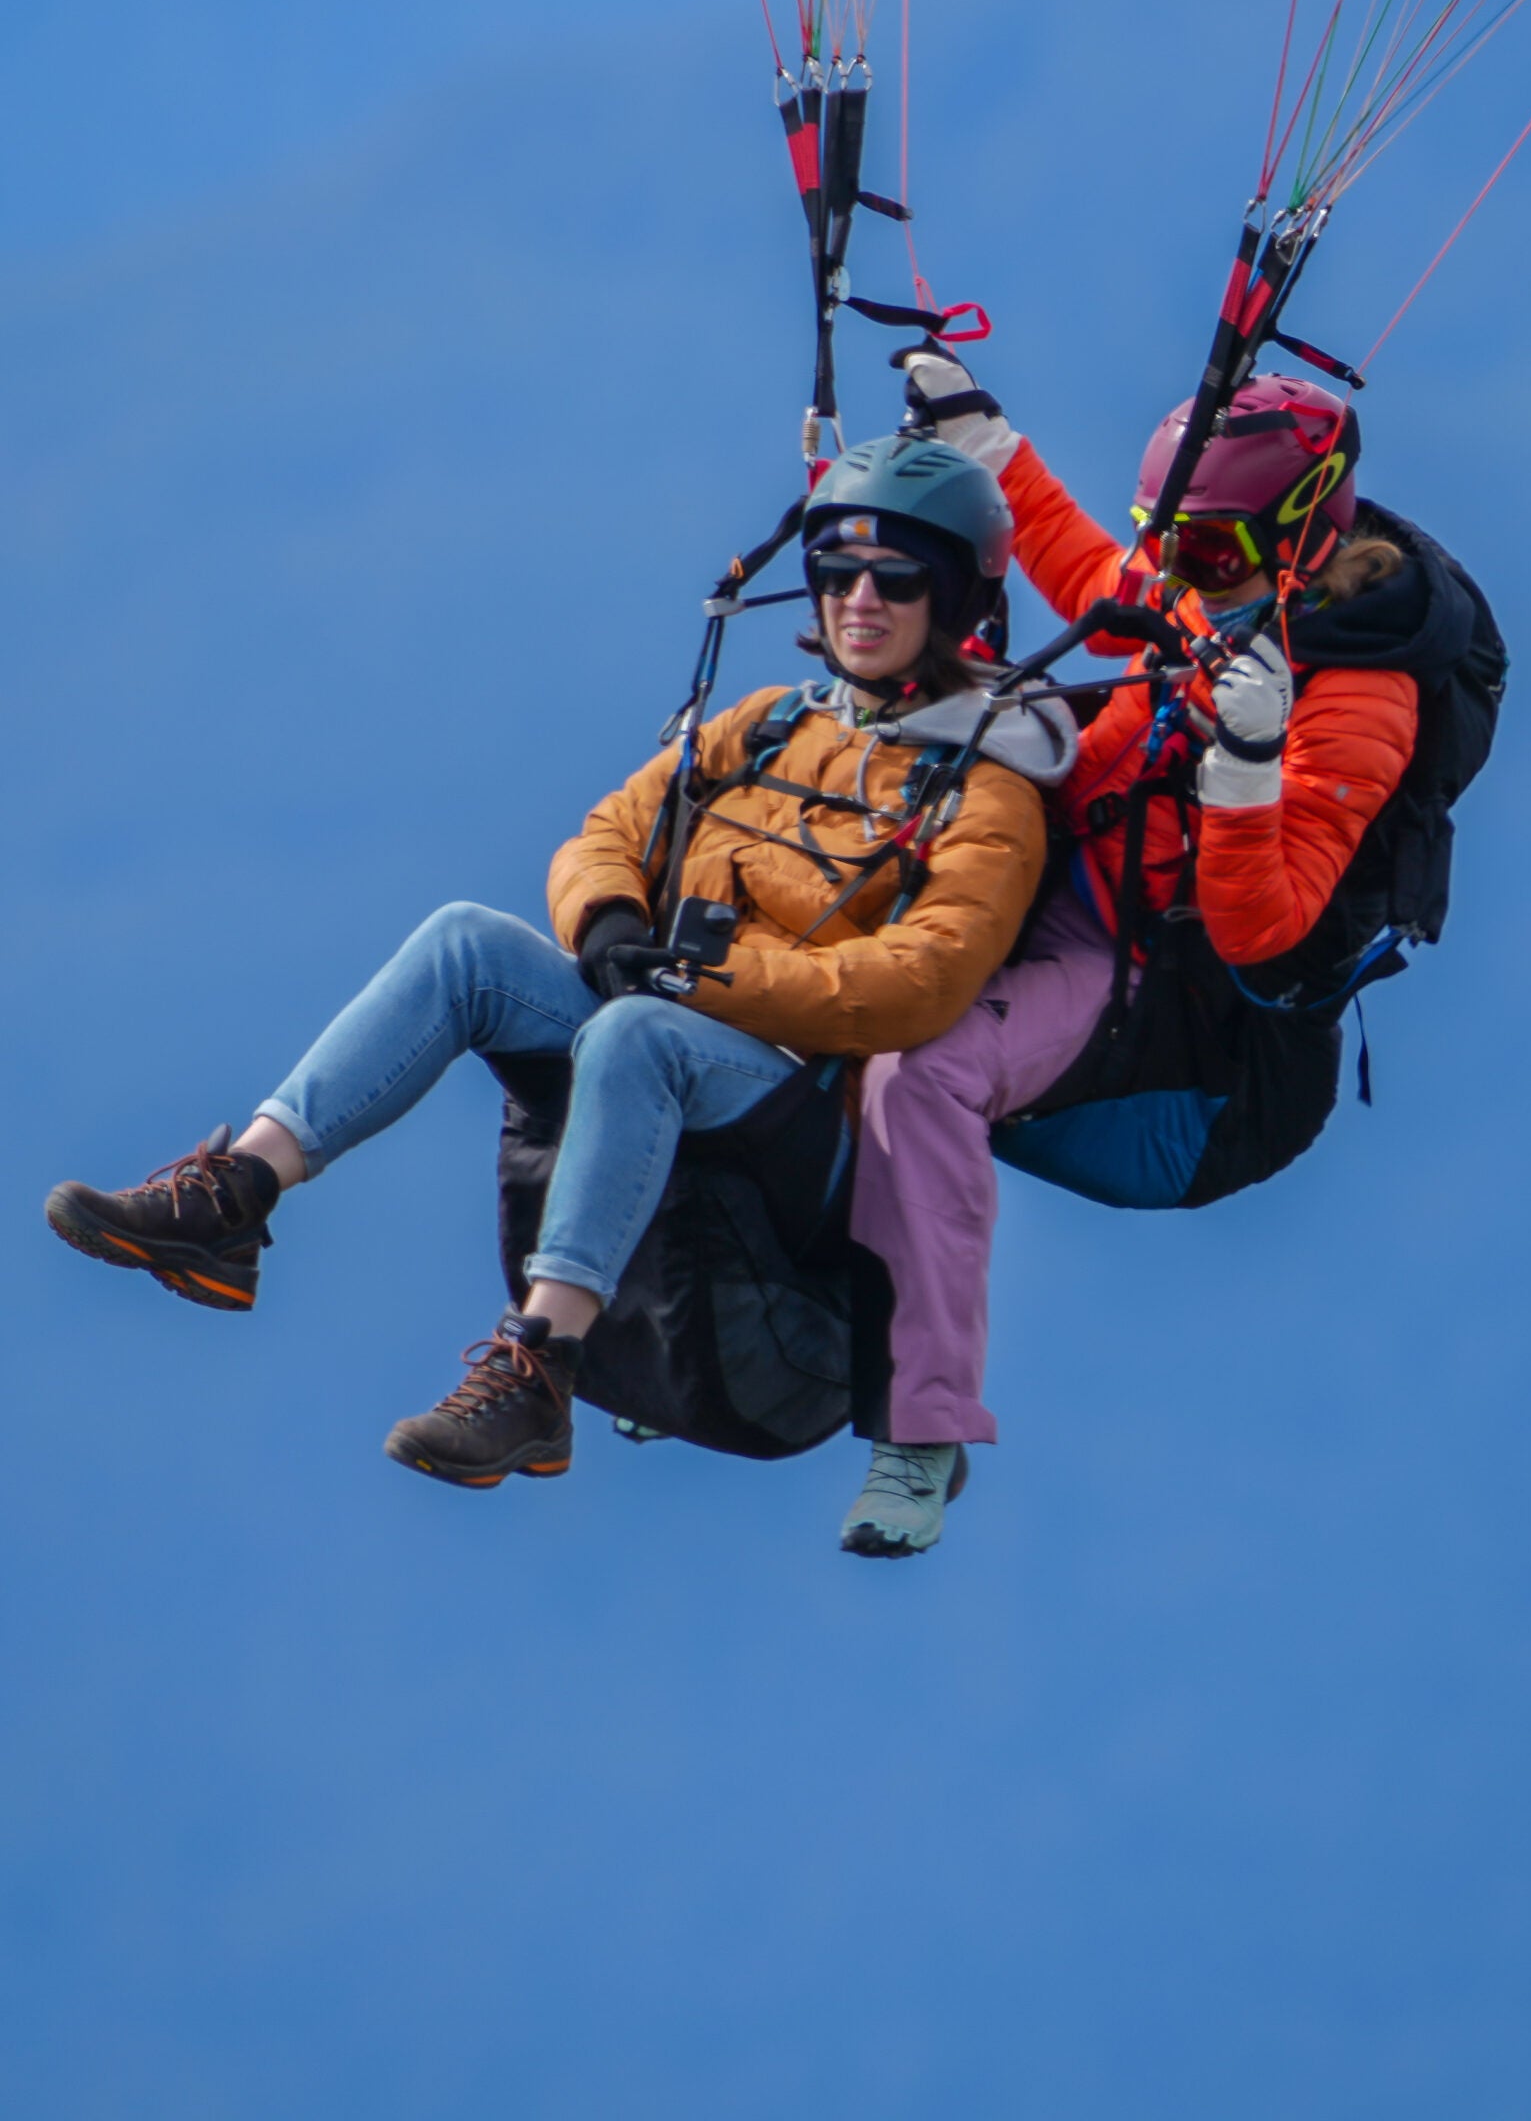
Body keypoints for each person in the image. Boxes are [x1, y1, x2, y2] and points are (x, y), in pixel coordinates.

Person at [45, 432, 1076, 1549]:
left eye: (895, 578)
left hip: (797, 1116)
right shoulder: (768, 722)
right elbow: (610, 832)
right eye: (835, 573)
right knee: (466, 942)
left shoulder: (987, 788)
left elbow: (920, 983)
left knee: (638, 1031)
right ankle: (235, 1196)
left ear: (958, 593)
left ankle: (539, 1366)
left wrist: (710, 979)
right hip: (674, 1031)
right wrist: (613, 920)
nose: (858, 601)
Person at [843, 347, 1502, 1545]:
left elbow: (1267, 924)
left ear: (1297, 534)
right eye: (1176, 539)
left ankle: (912, 1429)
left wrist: (1247, 767)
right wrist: (987, 443)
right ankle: (696, 1301)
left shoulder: (1357, 697)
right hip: (1080, 908)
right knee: (802, 936)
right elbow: (1111, 586)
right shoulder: (1232, 579)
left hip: (1196, 1076)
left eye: (1208, 554)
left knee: (905, 1065)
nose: (1186, 574)